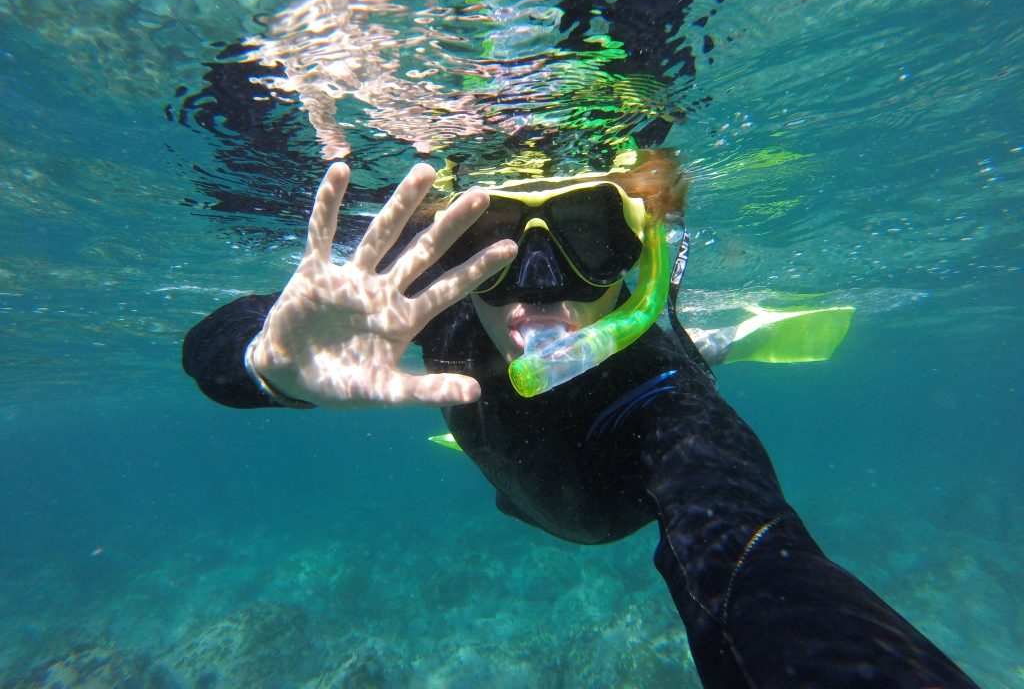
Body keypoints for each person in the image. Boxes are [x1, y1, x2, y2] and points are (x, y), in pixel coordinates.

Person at [183, 150, 979, 688]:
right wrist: (265, 364)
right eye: (495, 242)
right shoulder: (439, 310)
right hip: (521, 479)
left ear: (636, 253)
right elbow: (215, 347)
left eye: (587, 238)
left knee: (681, 357)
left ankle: (708, 338)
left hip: (607, 487)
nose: (535, 287)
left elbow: (762, 573)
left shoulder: (675, 412)